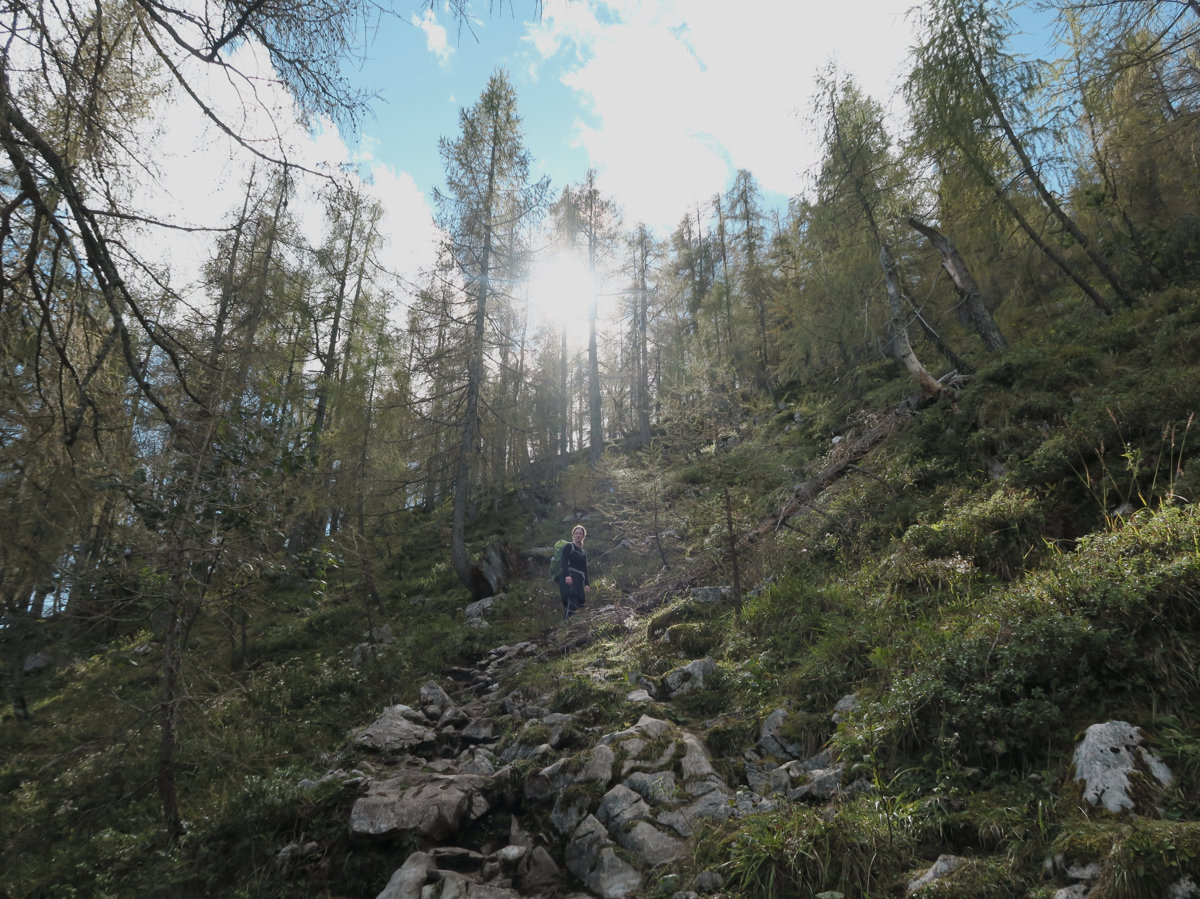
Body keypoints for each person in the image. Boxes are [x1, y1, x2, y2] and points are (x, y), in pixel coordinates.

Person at [556, 525, 590, 620]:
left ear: (583, 536)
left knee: (581, 602)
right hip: (569, 577)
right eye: (576, 533)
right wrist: (567, 576)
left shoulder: (583, 552)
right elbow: (564, 562)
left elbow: (585, 569)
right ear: (573, 535)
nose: (578, 535)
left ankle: (574, 626)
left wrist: (587, 584)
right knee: (572, 601)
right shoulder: (569, 546)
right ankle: (565, 626)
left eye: (580, 533)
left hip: (579, 579)